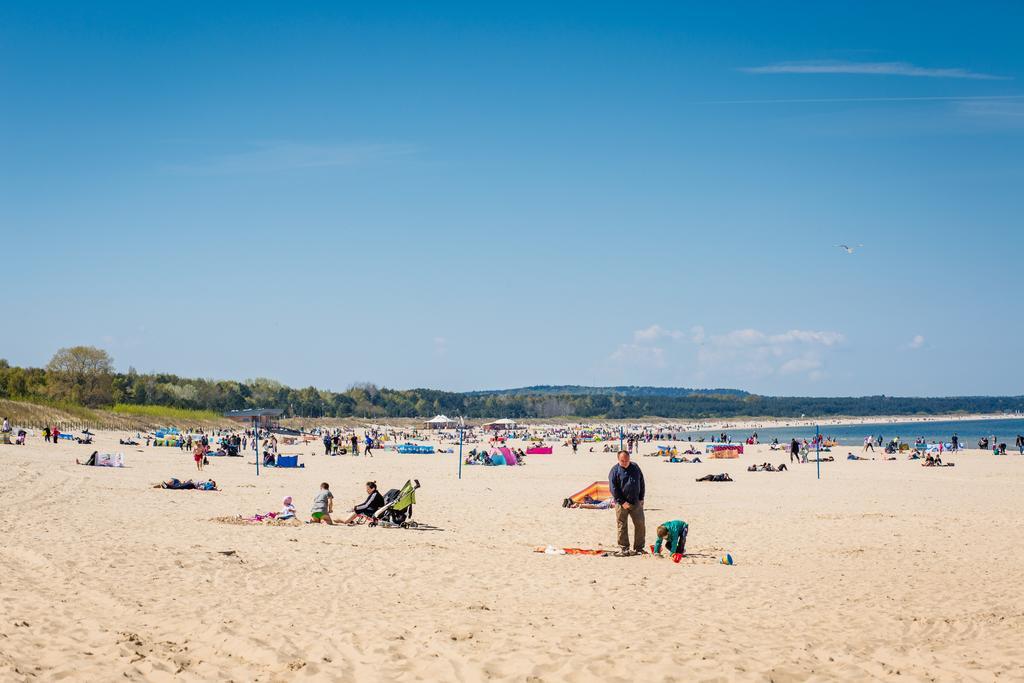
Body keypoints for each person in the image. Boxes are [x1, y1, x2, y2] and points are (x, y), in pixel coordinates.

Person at [609, 450, 646, 555]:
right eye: (622, 460)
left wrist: (641, 497)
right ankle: (624, 547)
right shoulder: (614, 471)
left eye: (627, 460)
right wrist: (622, 502)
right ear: (618, 460)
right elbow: (613, 489)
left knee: (640, 524)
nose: (625, 462)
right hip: (621, 504)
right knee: (622, 525)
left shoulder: (635, 467)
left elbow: (642, 482)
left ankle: (639, 548)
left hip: (636, 502)